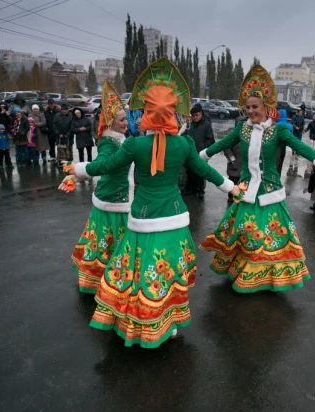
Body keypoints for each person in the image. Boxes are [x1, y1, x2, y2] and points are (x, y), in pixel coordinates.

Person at [61, 57, 239, 347]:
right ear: (172, 112)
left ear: (147, 113)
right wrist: (231, 187)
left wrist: (77, 169)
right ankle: (166, 324)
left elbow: (103, 167)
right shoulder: (183, 144)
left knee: (140, 272)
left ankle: (137, 323)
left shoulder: (135, 143)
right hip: (172, 217)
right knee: (166, 272)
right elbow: (205, 171)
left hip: (141, 219)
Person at [199, 64, 315, 293]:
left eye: (255, 107)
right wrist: (196, 157)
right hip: (246, 190)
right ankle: (243, 272)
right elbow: (220, 145)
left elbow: (301, 147)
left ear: (266, 107)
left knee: (268, 237)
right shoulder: (242, 129)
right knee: (245, 234)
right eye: (248, 107)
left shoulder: (278, 131)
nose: (250, 111)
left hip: (269, 192)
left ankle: (264, 278)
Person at [70, 80, 134, 294]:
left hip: (120, 198)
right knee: (109, 244)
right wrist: (80, 170)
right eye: (123, 120)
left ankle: (113, 276)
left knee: (111, 243)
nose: (127, 123)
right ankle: (106, 280)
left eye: (127, 119)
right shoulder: (108, 143)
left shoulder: (121, 140)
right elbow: (100, 165)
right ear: (110, 122)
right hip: (112, 200)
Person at [185, 103, 215, 197]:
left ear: (201, 114)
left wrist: (202, 149)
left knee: (200, 173)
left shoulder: (206, 125)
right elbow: (185, 137)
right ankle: (191, 189)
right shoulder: (189, 126)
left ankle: (200, 190)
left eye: (196, 115)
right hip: (190, 154)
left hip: (201, 154)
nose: (195, 117)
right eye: (193, 116)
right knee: (190, 172)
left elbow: (211, 140)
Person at [288, 108, 305, 176]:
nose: (301, 113)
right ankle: (293, 150)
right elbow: (292, 123)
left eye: (302, 112)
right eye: (300, 112)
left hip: (300, 131)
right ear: (298, 112)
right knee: (294, 141)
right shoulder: (294, 117)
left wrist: (303, 129)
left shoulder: (302, 117)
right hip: (295, 131)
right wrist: (295, 127)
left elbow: (303, 123)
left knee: (299, 141)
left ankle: (297, 151)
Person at [275, 109, 293, 176]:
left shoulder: (275, 125)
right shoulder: (289, 126)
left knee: (275, 164)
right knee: (280, 164)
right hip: (284, 147)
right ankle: (278, 177)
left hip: (276, 147)